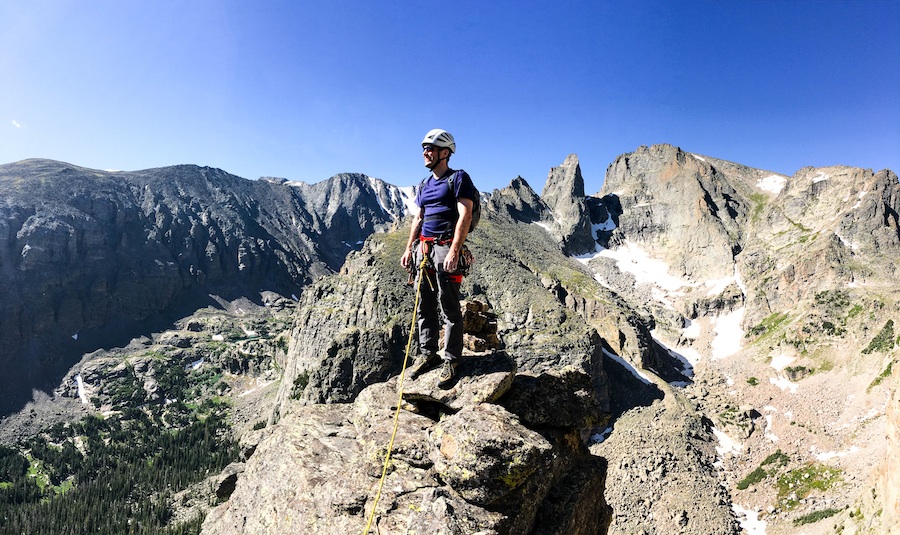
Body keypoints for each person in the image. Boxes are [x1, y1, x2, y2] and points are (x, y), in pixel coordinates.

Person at [400, 129, 476, 387]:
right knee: (424, 303)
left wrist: (456, 248)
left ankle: (452, 359)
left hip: (445, 248)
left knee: (449, 307)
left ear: (445, 153)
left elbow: (465, 214)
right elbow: (418, 218)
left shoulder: (458, 178)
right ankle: (427, 353)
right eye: (424, 148)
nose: (425, 152)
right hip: (424, 249)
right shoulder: (424, 184)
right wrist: (408, 248)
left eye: (430, 148)